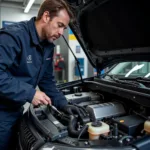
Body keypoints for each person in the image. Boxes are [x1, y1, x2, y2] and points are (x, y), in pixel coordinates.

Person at [0, 0, 75, 149]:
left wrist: (64, 105)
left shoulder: (47, 47)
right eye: (60, 25)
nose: (61, 33)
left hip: (16, 110)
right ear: (46, 16)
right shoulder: (13, 37)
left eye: (64, 28)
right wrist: (30, 93)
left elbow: (47, 81)